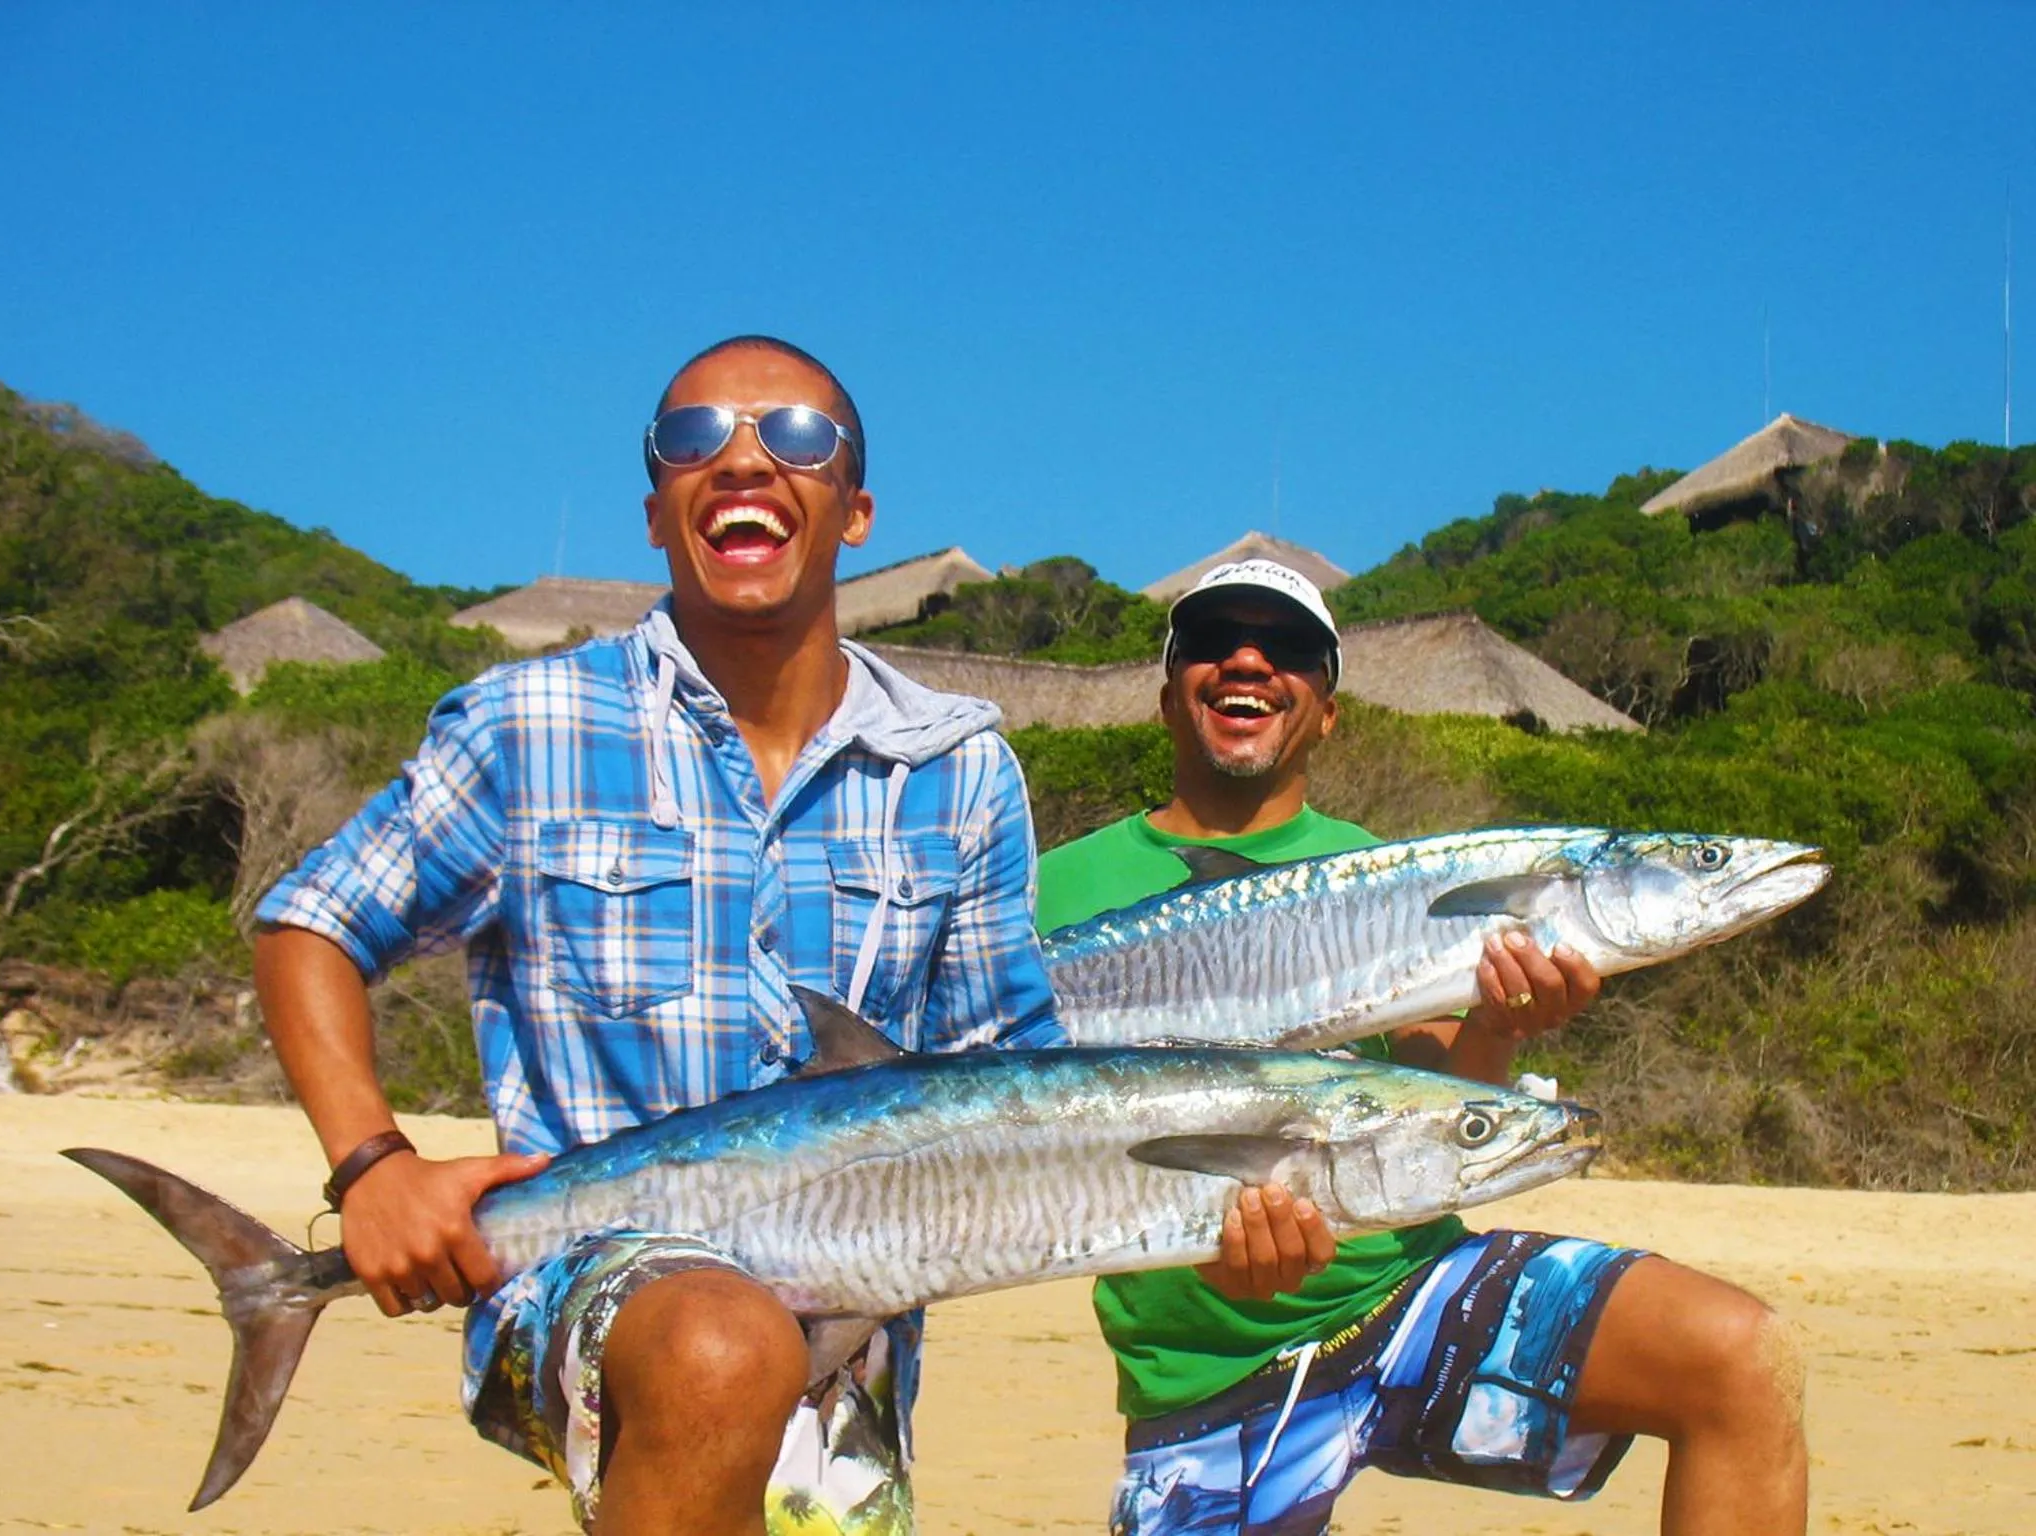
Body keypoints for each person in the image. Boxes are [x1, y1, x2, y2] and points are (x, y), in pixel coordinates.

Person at [254, 335, 1061, 1536]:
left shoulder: (959, 770)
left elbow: (1013, 1071)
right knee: (719, 1343)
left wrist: (1217, 1211)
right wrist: (372, 1165)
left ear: (855, 511)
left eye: (796, 437)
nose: (742, 460)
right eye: (694, 439)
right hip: (583, 1278)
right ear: (652, 515)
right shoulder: (527, 728)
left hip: (850, 1322)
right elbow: (310, 925)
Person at [1035, 559, 1807, 1536]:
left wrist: (1498, 1023)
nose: (1248, 661)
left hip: (1411, 1294)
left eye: (1289, 649)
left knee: (1738, 1358)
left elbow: (1444, 1094)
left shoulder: (1381, 868)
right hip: (1208, 1366)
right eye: (1212, 642)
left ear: (1327, 713)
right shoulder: (1046, 896)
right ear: (1165, 695)